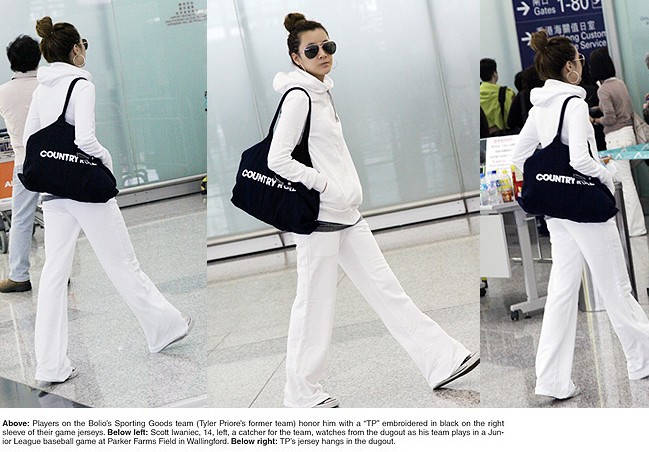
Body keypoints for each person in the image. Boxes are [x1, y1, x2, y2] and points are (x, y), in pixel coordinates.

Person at [267, 12, 479, 408]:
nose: (322, 54)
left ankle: (441, 359)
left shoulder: (321, 92)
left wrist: (340, 190)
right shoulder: (298, 97)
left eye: (327, 46)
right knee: (313, 306)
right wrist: (324, 185)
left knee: (387, 289)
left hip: (346, 213)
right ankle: (300, 392)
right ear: (296, 58)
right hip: (320, 219)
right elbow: (277, 158)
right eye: (312, 50)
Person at [24, 17, 193, 384]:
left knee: (54, 273)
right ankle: (164, 328)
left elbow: (29, 140)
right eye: (83, 44)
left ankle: (50, 364)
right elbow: (85, 140)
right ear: (76, 50)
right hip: (86, 189)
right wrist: (106, 161)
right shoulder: (81, 85)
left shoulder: (41, 89)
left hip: (53, 193)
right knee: (122, 262)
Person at [512, 30, 649, 400]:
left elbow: (519, 155)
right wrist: (605, 177)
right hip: (586, 210)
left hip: (558, 212)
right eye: (578, 60)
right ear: (569, 68)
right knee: (615, 284)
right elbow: (579, 160)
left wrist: (549, 177)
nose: (581, 65)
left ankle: (552, 379)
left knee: (561, 290)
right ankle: (641, 359)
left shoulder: (539, 107)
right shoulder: (573, 105)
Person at [589, 48, 646, 237]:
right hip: (629, 134)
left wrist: (595, 120)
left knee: (624, 183)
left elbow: (610, 118)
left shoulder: (603, 89)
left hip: (616, 137)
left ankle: (635, 227)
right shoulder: (620, 83)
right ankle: (634, 225)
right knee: (627, 181)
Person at [0, 35, 41, 293]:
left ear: (11, 61)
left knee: (22, 219)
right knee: (58, 217)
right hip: (54, 161)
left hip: (24, 164)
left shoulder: (3, 92)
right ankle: (59, 274)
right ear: (38, 58)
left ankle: (18, 276)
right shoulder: (47, 87)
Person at [480, 58, 515, 135]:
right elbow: (513, 118)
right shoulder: (506, 93)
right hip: (505, 135)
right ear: (494, 73)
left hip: (484, 136)